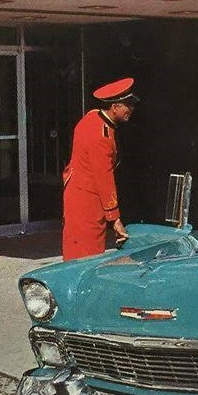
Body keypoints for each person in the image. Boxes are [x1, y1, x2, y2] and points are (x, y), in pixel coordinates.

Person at [61, 78, 137, 261]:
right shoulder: (101, 137)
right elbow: (105, 179)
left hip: (76, 194)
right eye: (128, 105)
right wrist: (115, 219)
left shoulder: (92, 117)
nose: (131, 109)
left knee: (75, 248)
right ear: (115, 106)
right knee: (88, 254)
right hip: (88, 202)